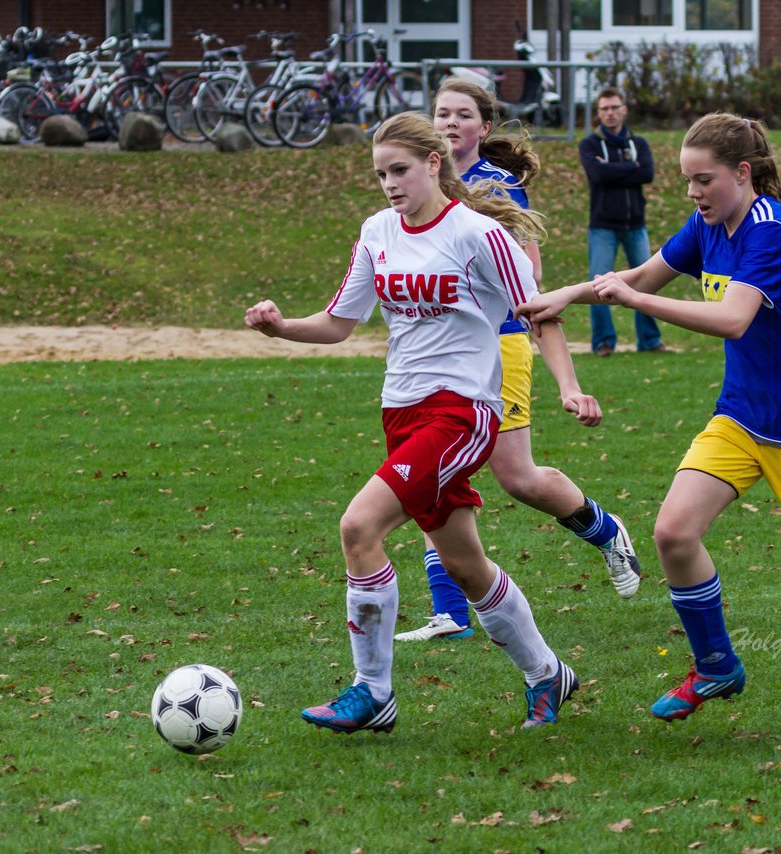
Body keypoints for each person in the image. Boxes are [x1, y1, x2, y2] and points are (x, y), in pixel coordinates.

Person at [519, 112, 781, 735]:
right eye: (685, 181)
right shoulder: (708, 227)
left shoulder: (772, 233)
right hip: (740, 414)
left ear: (742, 172)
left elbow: (732, 319)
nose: (693, 192)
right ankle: (715, 665)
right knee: (674, 533)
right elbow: (636, 279)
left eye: (703, 180)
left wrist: (634, 301)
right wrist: (568, 294)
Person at [245, 112, 580, 732]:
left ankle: (373, 693)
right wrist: (282, 326)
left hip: (462, 413)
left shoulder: (478, 234)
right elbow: (339, 322)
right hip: (401, 411)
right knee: (465, 565)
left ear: (433, 164)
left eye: (399, 170)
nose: (389, 184)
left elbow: (538, 312)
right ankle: (548, 674)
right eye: (380, 174)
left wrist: (569, 386)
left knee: (358, 526)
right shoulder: (377, 232)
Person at [390, 78, 642, 645]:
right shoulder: (414, 184)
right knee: (432, 473)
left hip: (498, 347)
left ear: (484, 126)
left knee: (518, 478)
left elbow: (531, 292)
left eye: (462, 115)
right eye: (441, 114)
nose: (451, 122)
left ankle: (605, 531)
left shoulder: (496, 189)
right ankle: (450, 612)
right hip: (438, 353)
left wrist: (568, 383)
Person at [579, 86, 664, 357]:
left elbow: (647, 173)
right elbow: (598, 174)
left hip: (635, 224)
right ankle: (604, 342)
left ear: (624, 109)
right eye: (604, 109)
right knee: (599, 286)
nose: (610, 113)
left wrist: (612, 169)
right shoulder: (590, 144)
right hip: (602, 225)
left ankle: (649, 341)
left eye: (615, 107)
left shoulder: (638, 144)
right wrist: (631, 169)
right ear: (598, 113)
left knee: (648, 283)